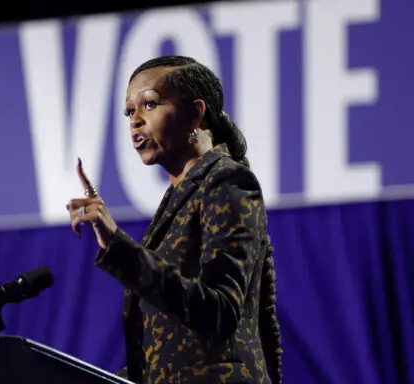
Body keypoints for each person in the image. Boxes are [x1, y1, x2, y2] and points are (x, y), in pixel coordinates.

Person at [67, 55, 282, 384]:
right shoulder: (176, 201)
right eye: (129, 111)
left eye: (150, 105)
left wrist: (118, 246)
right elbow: (172, 351)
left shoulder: (227, 182)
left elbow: (219, 313)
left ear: (196, 114)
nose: (135, 121)